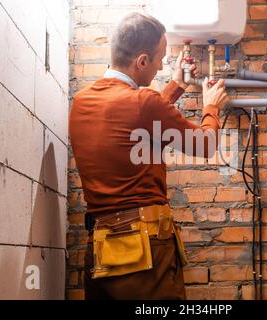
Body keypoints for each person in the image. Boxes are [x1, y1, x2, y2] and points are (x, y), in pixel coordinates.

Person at [69, 12, 229, 300]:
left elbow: (132, 121)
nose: (160, 66)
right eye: (159, 60)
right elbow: (205, 144)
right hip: (145, 252)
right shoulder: (144, 102)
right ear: (141, 61)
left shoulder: (82, 101)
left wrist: (176, 86)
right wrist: (211, 107)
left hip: (101, 249)